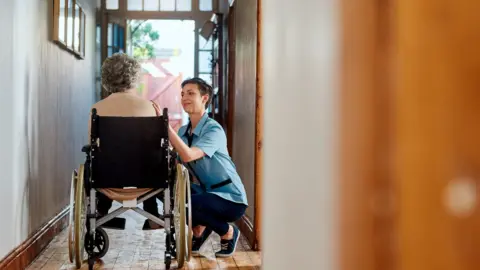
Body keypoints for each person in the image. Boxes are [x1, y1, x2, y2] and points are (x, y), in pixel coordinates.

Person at [167, 78, 248, 257]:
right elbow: (178, 162)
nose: (184, 97)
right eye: (182, 94)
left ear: (204, 98)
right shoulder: (183, 132)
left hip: (230, 198)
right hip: (208, 193)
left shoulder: (214, 130)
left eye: (190, 93)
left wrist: (166, 128)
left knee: (187, 203)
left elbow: (188, 155)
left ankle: (228, 232)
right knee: (172, 192)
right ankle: (199, 230)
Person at [88, 53, 162, 230]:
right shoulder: (149, 107)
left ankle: (101, 212)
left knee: (104, 159)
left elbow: (93, 145)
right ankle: (152, 214)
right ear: (135, 76)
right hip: (147, 177)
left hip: (108, 177)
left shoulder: (97, 109)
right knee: (149, 158)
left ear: (107, 77)